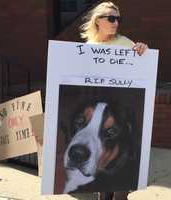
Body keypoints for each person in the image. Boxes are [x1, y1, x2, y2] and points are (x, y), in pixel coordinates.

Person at [79, 1, 148, 200]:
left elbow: (140, 69)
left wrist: (143, 50)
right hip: (98, 119)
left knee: (121, 178)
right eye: (111, 18)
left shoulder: (125, 43)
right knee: (102, 180)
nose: (115, 23)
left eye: (118, 19)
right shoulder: (88, 48)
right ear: (98, 21)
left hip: (121, 117)